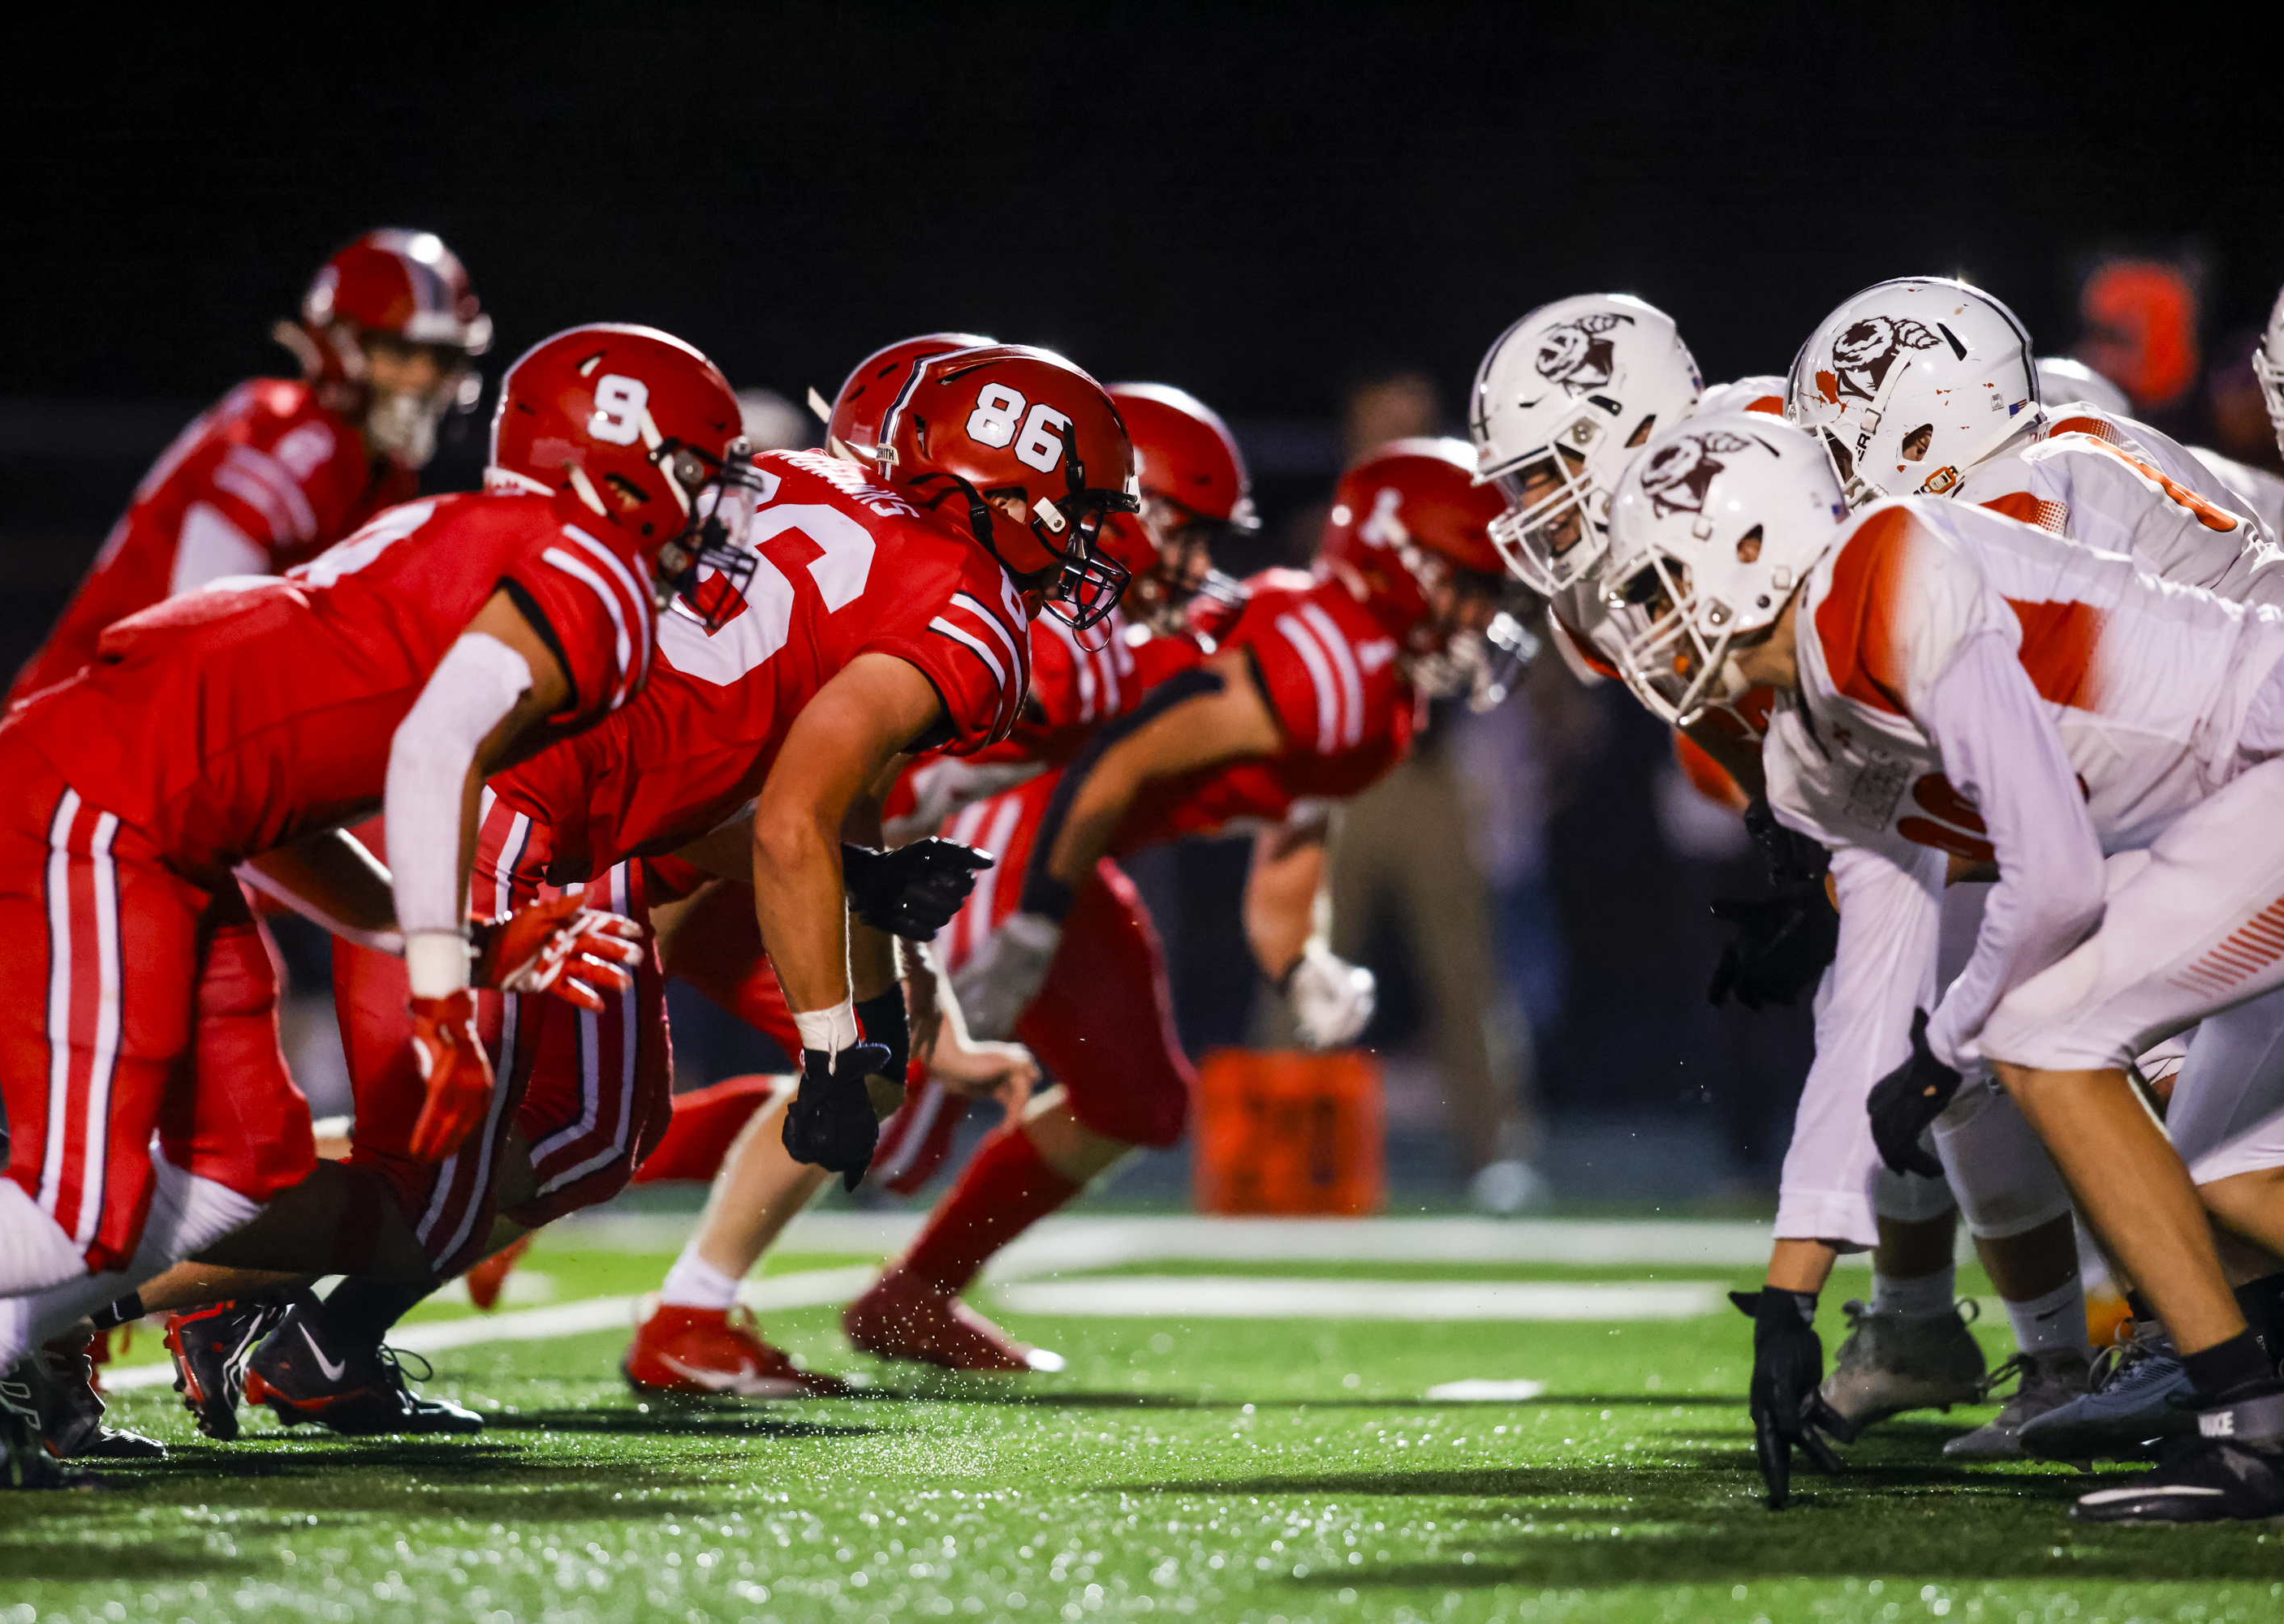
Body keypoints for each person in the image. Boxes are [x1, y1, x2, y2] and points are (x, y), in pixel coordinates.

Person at [146, 344, 1134, 1433]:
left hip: (535, 786)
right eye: (1082, 508)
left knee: (585, 1127)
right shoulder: (970, 607)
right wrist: (829, 1051)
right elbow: (794, 818)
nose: (1093, 541)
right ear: (1012, 493)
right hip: (516, 798)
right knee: (448, 1170)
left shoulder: (818, 487)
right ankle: (98, 1263)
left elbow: (810, 802)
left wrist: (874, 996)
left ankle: (289, 1323)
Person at [0, 322, 748, 1488]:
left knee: (243, 1166)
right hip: (108, 799)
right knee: (80, 1210)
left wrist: (454, 941)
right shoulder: (585, 572)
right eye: (692, 472)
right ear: (610, 460)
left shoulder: (482, 535)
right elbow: (433, 754)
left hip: (171, 816)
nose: (710, 508)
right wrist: (440, 997)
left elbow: (291, 779)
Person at [1600, 409, 2284, 1523]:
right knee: (2231, 1174)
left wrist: (1949, 1037)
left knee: (2040, 1038)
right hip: (2231, 817)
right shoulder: (1814, 742)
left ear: (1750, 544)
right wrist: (1788, 1299)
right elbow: (1863, 1022)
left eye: (1658, 580)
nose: (1646, 624)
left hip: (2262, 751)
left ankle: (2249, 1427)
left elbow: (2051, 875)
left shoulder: (1892, 570)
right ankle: (2252, 1421)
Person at [610, 373, 1256, 1391]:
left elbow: (862, 796)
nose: (1196, 563)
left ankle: (674, 1287)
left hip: (795, 833)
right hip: (722, 830)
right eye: (1175, 526)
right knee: (573, 1103)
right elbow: (820, 789)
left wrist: (910, 971)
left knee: (868, 1077)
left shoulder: (1069, 637)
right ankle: (663, 1287)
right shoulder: (1017, 628)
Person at [844, 438, 1532, 1371]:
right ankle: (672, 1261)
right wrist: (1035, 913)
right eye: (1472, 582)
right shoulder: (1330, 663)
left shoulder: (1373, 696)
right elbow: (1115, 759)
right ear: (1402, 563)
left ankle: (913, 1295)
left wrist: (1302, 962)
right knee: (881, 1108)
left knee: (1135, 1100)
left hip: (1073, 840)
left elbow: (1290, 850)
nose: (1486, 614)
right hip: (1009, 812)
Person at [5, 230, 489, 709]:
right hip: (95, 717)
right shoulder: (289, 437)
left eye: (441, 356)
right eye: (401, 352)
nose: (424, 376)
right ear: (341, 345)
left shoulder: (380, 473)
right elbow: (193, 623)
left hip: (157, 719)